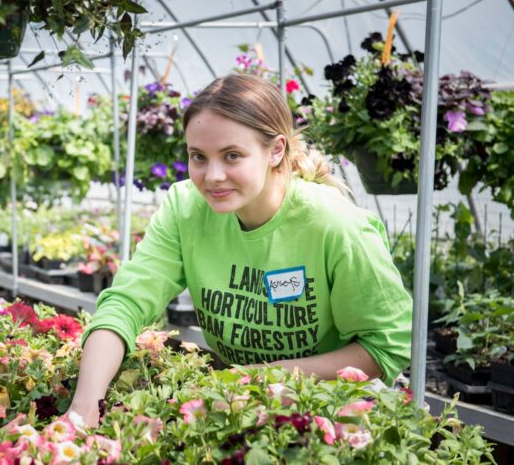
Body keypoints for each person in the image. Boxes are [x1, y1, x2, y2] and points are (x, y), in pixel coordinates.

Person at [68, 74, 413, 427]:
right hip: (242, 407)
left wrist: (265, 375)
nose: (213, 176)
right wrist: (84, 407)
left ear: (276, 150)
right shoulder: (185, 208)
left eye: (232, 155)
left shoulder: (335, 225)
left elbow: (384, 347)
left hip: (335, 419)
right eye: (198, 157)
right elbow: (126, 303)